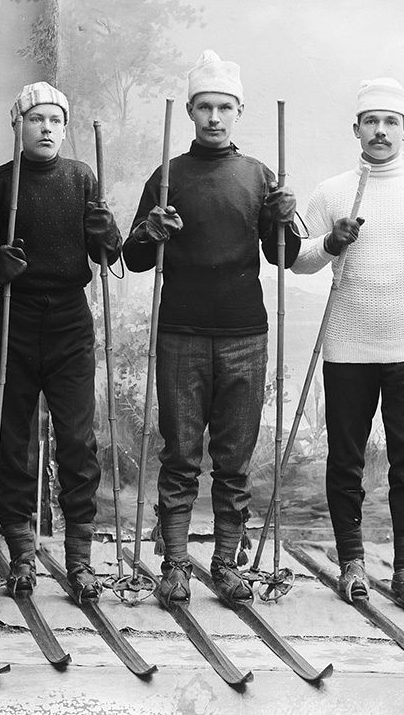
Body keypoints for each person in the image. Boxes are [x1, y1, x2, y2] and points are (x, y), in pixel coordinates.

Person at [291, 77, 404, 612]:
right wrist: (330, 242)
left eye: (390, 122)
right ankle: (351, 564)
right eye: (370, 121)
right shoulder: (332, 190)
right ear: (356, 129)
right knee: (345, 461)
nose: (380, 130)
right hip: (347, 346)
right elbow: (297, 260)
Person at [122, 51, 300, 607]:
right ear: (191, 113)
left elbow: (285, 256)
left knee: (234, 457)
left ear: (239, 111)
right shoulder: (168, 176)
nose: (214, 118)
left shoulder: (258, 176)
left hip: (246, 332)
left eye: (224, 107)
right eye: (204, 108)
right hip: (181, 333)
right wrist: (151, 229)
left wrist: (283, 217)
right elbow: (133, 259)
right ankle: (175, 563)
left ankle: (225, 563)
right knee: (180, 453)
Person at [0, 81, 121, 601]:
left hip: (69, 322)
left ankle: (80, 560)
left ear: (65, 127)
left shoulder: (81, 178)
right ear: (18, 127)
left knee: (78, 440)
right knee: (14, 440)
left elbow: (109, 255)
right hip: (13, 316)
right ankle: (22, 555)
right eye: (36, 119)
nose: (47, 128)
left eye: (55, 120)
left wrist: (107, 233)